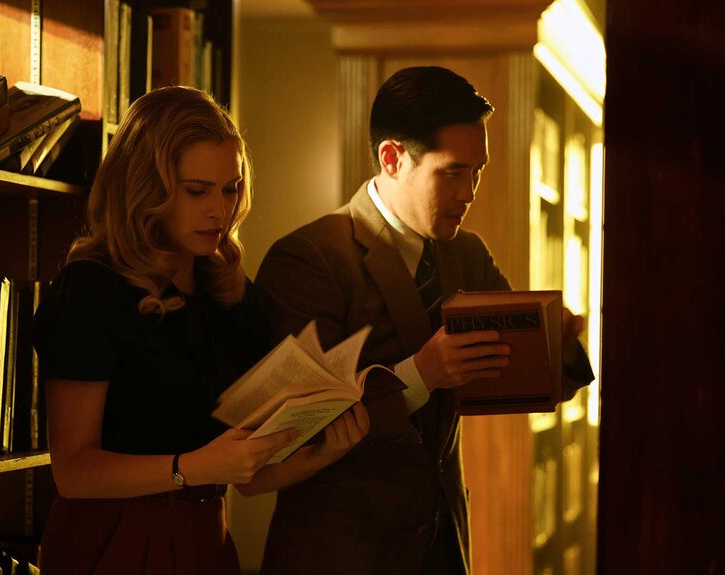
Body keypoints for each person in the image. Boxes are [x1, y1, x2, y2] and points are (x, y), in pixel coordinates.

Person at [254, 66, 595, 575]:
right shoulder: (309, 258)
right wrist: (420, 374)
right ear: (392, 158)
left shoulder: (467, 255)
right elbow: (297, 425)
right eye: (453, 172)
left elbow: (531, 382)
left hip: (443, 545)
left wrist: (556, 341)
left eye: (477, 172)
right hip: (340, 551)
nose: (469, 192)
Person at [32, 86, 370, 575]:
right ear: (147, 189)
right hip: (113, 542)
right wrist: (189, 468)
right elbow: (73, 470)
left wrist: (323, 452)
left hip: (205, 539)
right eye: (197, 191)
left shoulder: (230, 293)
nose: (220, 209)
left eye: (230, 188)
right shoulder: (92, 290)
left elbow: (249, 477)